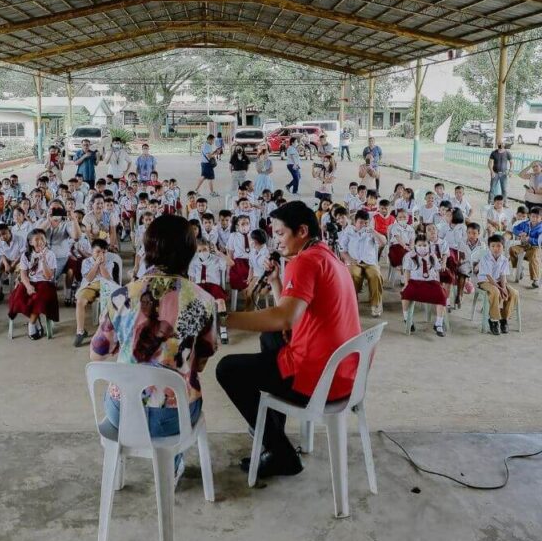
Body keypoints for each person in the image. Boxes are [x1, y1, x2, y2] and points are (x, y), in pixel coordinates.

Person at [216, 201, 361, 480]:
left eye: (281, 234)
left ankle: (281, 452)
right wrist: (274, 282)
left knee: (227, 369)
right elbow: (294, 312)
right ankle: (273, 429)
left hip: (319, 378)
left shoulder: (304, 262)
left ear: (302, 231)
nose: (277, 241)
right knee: (270, 335)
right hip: (343, 372)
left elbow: (285, 317)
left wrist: (224, 319)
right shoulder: (326, 255)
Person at [90, 215, 217, 484]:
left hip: (122, 412)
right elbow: (202, 363)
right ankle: (171, 465)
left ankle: (119, 463)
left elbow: (97, 354)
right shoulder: (204, 301)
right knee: (185, 391)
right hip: (174, 416)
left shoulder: (121, 295)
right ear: (190, 252)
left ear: (148, 250)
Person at [7, 228, 58, 340]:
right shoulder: (26, 255)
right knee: (18, 298)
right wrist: (28, 286)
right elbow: (23, 274)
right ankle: (36, 319)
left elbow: (49, 276)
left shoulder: (50, 254)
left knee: (37, 299)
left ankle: (32, 324)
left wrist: (43, 260)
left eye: (42, 239)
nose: (40, 241)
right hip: (29, 282)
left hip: (45, 283)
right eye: (37, 239)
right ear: (30, 242)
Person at [338, 210, 386, 317]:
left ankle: (375, 303)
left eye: (365, 222)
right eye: (360, 222)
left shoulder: (371, 232)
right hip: (354, 261)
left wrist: (373, 232)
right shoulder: (348, 231)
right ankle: (352, 301)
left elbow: (383, 242)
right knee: (353, 275)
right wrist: (349, 259)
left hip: (370, 262)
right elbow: (342, 250)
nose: (363, 225)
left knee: (376, 276)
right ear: (355, 222)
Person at [73, 238, 118, 348]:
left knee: (110, 302)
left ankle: (109, 331)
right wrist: (96, 264)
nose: (101, 254)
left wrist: (101, 265)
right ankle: (80, 331)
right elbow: (89, 278)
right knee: (80, 301)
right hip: (90, 285)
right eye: (98, 251)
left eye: (103, 252)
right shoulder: (86, 262)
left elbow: (107, 277)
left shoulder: (109, 262)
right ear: (92, 251)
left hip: (106, 285)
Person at [401, 234, 449, 336]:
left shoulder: (432, 255)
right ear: (415, 246)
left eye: (424, 245)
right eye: (419, 245)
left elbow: (437, 271)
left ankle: (439, 324)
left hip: (431, 281)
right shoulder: (410, 256)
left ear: (428, 246)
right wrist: (406, 284)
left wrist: (439, 283)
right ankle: (406, 319)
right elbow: (407, 271)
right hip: (415, 281)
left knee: (441, 295)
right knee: (405, 294)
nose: (422, 247)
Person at [477, 235, 518, 335]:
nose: (496, 248)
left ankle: (504, 319)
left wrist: (503, 287)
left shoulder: (504, 259)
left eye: (499, 246)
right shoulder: (485, 258)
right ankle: (494, 320)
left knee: (513, 293)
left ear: (503, 247)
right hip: (485, 281)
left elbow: (503, 275)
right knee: (495, 291)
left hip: (499, 281)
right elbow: (489, 277)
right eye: (493, 246)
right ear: (489, 247)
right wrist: (500, 288)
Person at [509, 207, 542, 289]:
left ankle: (535, 279)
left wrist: (529, 239)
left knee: (534, 257)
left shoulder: (541, 228)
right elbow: (514, 229)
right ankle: (518, 268)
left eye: (537, 217)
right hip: (523, 245)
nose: (534, 218)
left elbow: (540, 241)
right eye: (533, 216)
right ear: (529, 216)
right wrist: (520, 233)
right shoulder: (525, 223)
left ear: (541, 218)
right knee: (512, 249)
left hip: (534, 247)